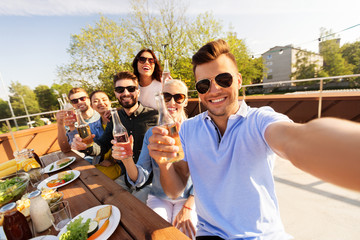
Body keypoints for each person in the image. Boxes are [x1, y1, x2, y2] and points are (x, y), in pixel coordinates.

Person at [147, 39, 360, 239]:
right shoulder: (189, 129)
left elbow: (296, 139)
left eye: (223, 79)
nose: (214, 90)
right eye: (204, 85)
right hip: (211, 234)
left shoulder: (259, 121)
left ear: (238, 80)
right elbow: (175, 190)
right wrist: (163, 165)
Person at [113, 79, 197, 238]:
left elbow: (208, 176)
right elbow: (140, 176)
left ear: (185, 101)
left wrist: (187, 207)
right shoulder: (152, 134)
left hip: (189, 197)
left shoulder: (197, 129)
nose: (172, 102)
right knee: (154, 234)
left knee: (185, 233)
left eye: (178, 97)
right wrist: (127, 159)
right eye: (166, 96)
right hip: (160, 197)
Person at [71, 71, 158, 203]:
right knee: (100, 200)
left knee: (133, 209)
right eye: (120, 89)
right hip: (125, 177)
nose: (126, 93)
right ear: (116, 93)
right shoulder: (115, 118)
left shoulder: (154, 116)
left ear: (138, 91)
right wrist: (85, 145)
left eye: (131, 88)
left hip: (150, 179)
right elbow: (102, 146)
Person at [56, 87, 100, 153]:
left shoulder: (100, 115)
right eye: (75, 101)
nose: (79, 102)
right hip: (87, 157)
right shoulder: (71, 122)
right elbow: (65, 149)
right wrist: (60, 123)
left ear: (89, 99)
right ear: (72, 104)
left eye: (82, 98)